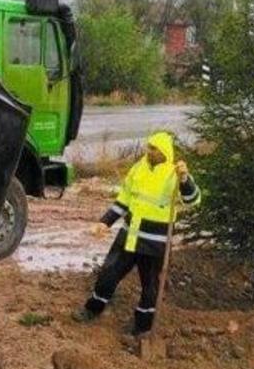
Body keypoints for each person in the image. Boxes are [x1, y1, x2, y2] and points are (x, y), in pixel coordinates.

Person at [74, 131, 201, 336]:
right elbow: (124, 199)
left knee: (150, 287)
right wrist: (105, 222)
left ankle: (142, 327)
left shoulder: (174, 173)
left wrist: (185, 179)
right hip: (130, 235)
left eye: (154, 148)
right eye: (149, 147)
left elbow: (192, 200)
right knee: (108, 273)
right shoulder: (138, 169)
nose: (149, 151)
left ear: (164, 152)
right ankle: (92, 309)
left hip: (155, 243)